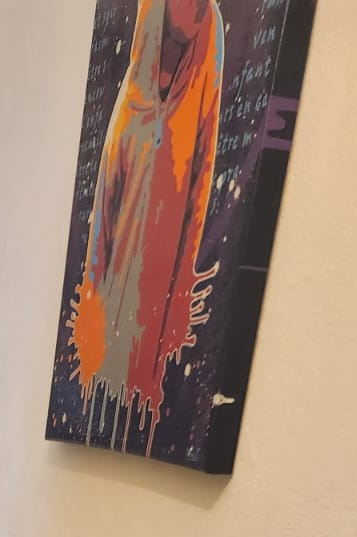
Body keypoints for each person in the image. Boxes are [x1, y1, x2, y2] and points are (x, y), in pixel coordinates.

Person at [67, 0, 224, 447]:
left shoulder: (196, 104)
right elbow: (102, 221)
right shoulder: (129, 113)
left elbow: (197, 200)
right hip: (109, 311)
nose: (192, 12)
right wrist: (94, 306)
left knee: (137, 409)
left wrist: (177, 303)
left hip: (155, 322)